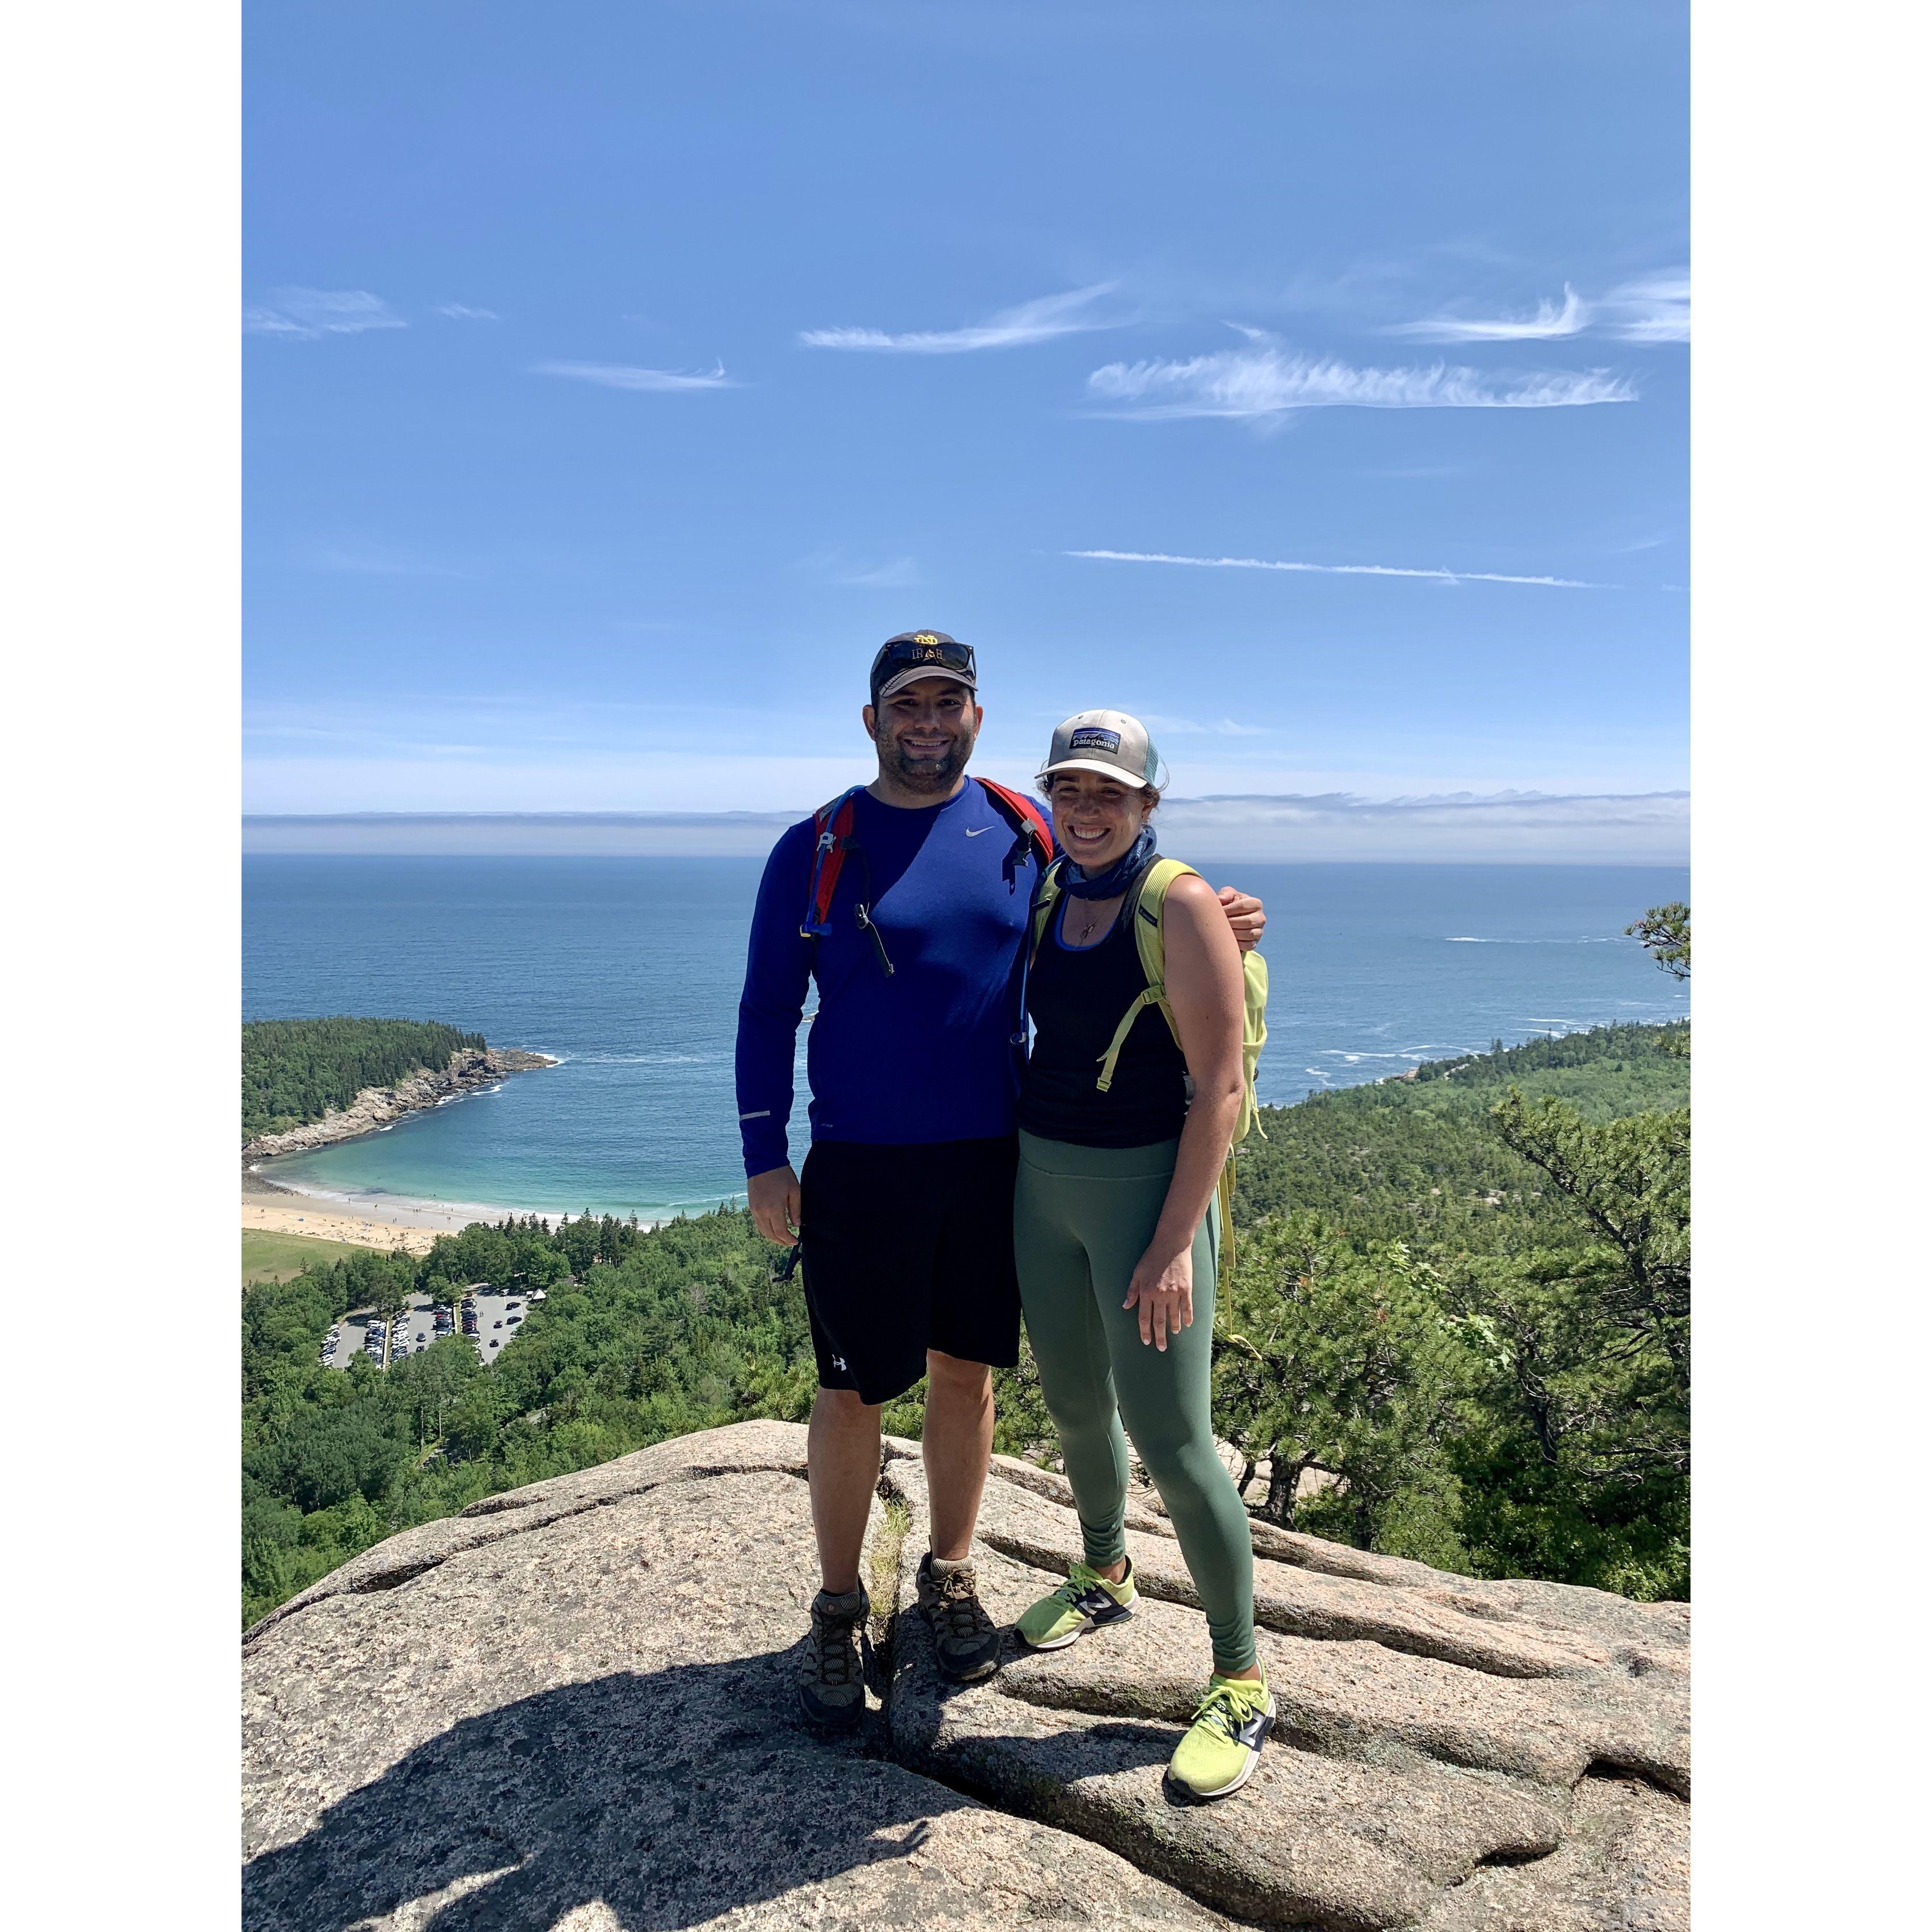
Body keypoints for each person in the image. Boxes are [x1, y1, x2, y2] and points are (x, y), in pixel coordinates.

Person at [735, 634, 1265, 1732]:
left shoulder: (1023, 829)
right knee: (852, 1391)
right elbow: (766, 1008)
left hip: (994, 1161)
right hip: (864, 1165)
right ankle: (838, 1608)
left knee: (965, 1376)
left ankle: (950, 1573)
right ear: (873, 720)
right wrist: (763, 1154)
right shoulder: (818, 845)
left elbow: (1133, 903)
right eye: (908, 704)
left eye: (950, 703)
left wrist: (1224, 921)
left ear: (976, 717)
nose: (929, 722)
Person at [1009, 708, 1272, 1802]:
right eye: (1069, 789)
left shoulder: (1182, 903)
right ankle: (1107, 1569)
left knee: (1174, 1438)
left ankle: (1241, 1681)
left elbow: (1220, 1088)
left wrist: (1171, 1247)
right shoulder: (1047, 891)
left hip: (1144, 1200)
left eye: (1109, 793)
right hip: (1041, 1185)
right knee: (1074, 1404)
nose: (1086, 809)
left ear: (1148, 803)